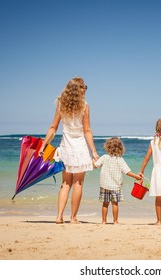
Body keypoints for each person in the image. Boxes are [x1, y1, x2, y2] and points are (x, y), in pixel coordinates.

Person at [39, 77, 99, 224]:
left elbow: (53, 127)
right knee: (78, 183)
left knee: (66, 183)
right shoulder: (85, 106)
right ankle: (73, 218)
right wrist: (94, 151)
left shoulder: (61, 104)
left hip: (65, 147)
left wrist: (43, 145)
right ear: (79, 89)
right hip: (80, 148)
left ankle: (59, 217)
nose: (85, 89)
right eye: (84, 86)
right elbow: (87, 130)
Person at [93, 137, 142, 224]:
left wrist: (93, 161)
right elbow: (127, 172)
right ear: (120, 149)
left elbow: (95, 166)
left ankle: (103, 221)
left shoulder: (104, 157)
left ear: (107, 147)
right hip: (115, 186)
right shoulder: (120, 160)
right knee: (115, 204)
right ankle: (115, 221)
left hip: (104, 185)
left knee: (105, 204)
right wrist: (137, 177)